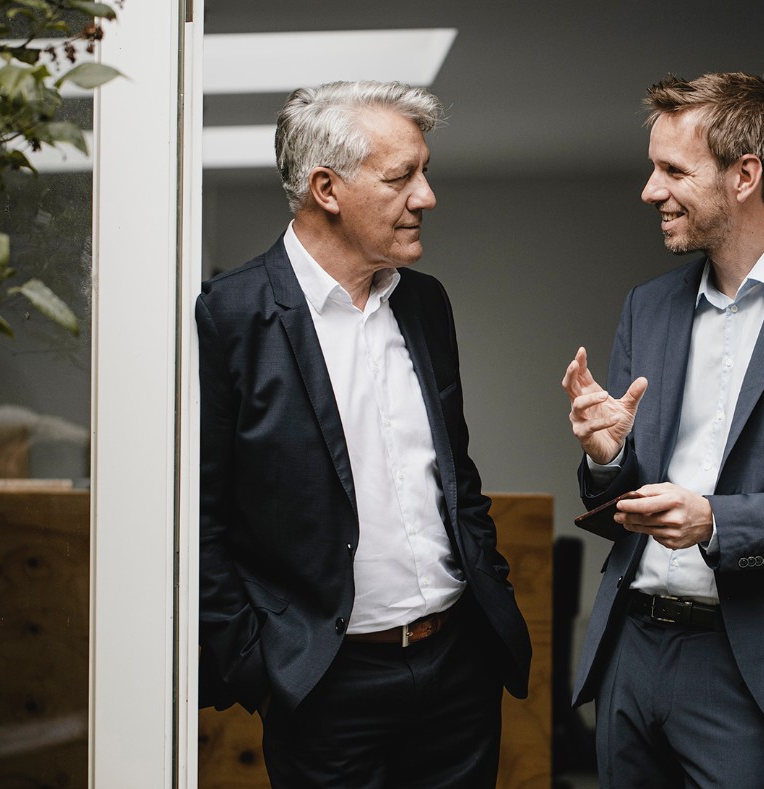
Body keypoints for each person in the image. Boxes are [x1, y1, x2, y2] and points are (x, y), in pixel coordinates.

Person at [196, 80, 531, 788]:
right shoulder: (230, 316)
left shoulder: (426, 304)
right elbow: (203, 517)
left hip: (454, 669)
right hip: (324, 681)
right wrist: (258, 664)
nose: (426, 196)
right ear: (327, 188)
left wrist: (487, 588)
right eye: (401, 176)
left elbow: (454, 474)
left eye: (425, 171)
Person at [561, 72, 764, 788]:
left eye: (673, 170)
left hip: (751, 668)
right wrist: (607, 454)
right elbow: (622, 484)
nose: (650, 190)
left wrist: (716, 520)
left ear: (746, 175)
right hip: (631, 649)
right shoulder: (647, 306)